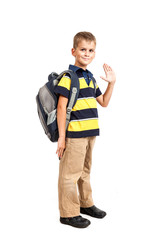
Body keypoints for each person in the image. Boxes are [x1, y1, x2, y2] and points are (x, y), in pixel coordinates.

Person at [54, 31, 116, 228]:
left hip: (90, 134)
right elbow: (61, 107)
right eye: (83, 49)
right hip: (74, 135)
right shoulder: (69, 77)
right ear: (74, 51)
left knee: (85, 172)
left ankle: (85, 204)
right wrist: (62, 138)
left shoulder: (90, 77)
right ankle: (68, 213)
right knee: (69, 175)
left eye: (91, 50)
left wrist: (112, 83)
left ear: (94, 53)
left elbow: (104, 102)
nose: (87, 53)